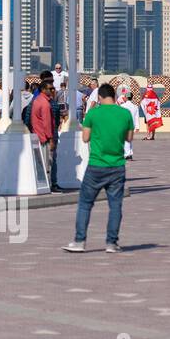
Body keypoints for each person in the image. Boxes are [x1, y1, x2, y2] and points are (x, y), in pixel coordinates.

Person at [62, 82, 133, 254]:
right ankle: (111, 243)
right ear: (115, 97)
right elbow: (129, 138)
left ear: (99, 97)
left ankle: (79, 241)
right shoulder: (125, 113)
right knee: (115, 205)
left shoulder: (93, 113)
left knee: (85, 204)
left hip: (96, 165)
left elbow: (85, 138)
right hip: (117, 166)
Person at [30, 81, 58, 190]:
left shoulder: (37, 101)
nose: (52, 90)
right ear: (43, 90)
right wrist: (51, 140)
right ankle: (48, 186)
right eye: (50, 89)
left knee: (41, 162)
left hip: (38, 135)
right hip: (44, 138)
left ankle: (43, 184)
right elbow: (47, 124)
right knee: (47, 163)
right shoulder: (46, 104)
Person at [118, 88, 144, 160]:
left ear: (126, 97)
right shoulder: (135, 107)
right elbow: (136, 117)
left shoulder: (122, 106)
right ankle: (129, 153)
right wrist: (137, 127)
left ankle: (127, 155)